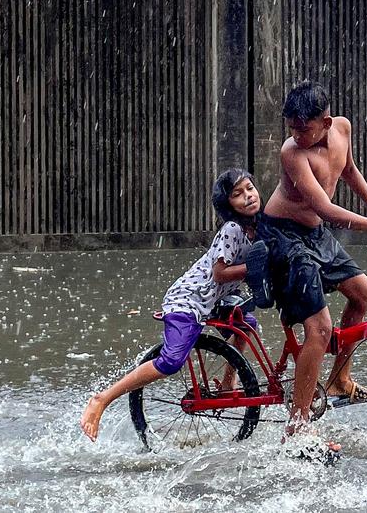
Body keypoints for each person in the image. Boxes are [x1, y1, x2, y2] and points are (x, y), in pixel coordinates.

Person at [259, 80, 367, 440]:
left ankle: (340, 380)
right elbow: (325, 209)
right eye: (291, 128)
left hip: (313, 234)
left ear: (326, 123)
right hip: (284, 236)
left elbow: (349, 171)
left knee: (363, 292)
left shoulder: (342, 128)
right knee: (320, 329)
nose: (295, 135)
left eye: (303, 128)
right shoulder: (292, 153)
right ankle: (298, 425)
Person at [79, 168, 262, 442]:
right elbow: (219, 273)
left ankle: (228, 383)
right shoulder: (233, 229)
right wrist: (255, 268)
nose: (248, 196)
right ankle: (102, 399)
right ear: (228, 205)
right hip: (188, 299)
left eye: (250, 189)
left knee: (246, 325)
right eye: (238, 194)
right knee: (171, 361)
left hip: (215, 299)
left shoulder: (257, 227)